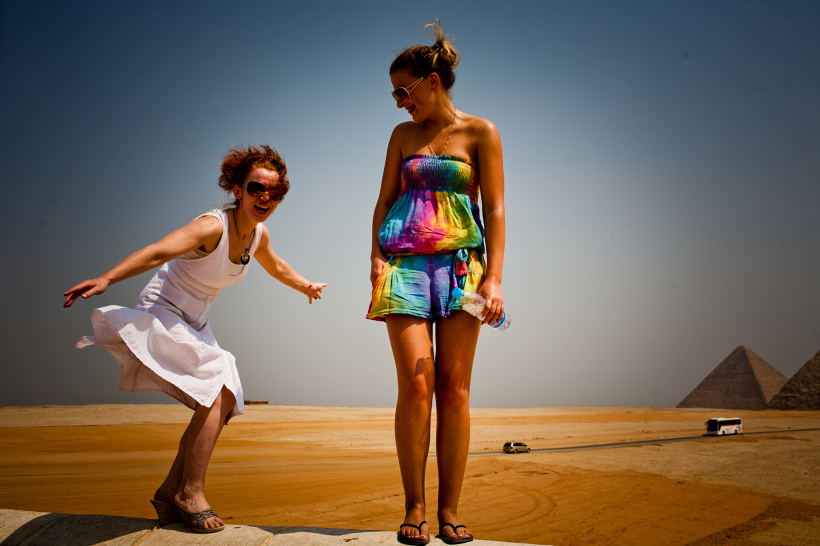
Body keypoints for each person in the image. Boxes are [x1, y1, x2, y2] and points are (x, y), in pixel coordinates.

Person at [64, 145, 326, 533]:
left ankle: (170, 490)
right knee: (219, 383)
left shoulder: (257, 235)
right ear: (237, 190)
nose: (265, 197)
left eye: (275, 192)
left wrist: (305, 285)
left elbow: (276, 265)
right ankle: (191, 492)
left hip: (197, 320)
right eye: (256, 188)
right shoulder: (212, 227)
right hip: (165, 309)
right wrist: (107, 278)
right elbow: (157, 252)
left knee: (223, 397)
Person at [367, 21, 505, 546]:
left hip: (464, 270)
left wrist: (494, 279)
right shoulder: (401, 137)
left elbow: (494, 209)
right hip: (404, 266)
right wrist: (375, 258)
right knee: (416, 385)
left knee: (454, 389)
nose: (400, 103)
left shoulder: (482, 132)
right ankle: (415, 506)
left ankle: (449, 510)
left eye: (404, 91)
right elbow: (384, 200)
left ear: (432, 81)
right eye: (394, 95)